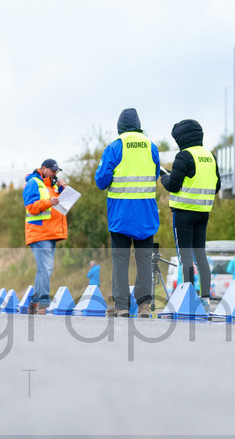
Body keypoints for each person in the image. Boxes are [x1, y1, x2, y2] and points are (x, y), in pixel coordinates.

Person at [95, 108, 161, 318]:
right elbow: (155, 174)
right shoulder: (151, 146)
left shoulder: (115, 147)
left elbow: (101, 180)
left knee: (120, 260)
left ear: (120, 127)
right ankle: (144, 306)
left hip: (121, 214)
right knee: (145, 260)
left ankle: (122, 306)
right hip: (146, 213)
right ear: (138, 125)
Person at [159, 119, 220, 314]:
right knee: (200, 255)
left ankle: (188, 298)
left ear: (181, 138)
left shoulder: (183, 156)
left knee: (185, 257)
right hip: (203, 213)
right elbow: (216, 186)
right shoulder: (210, 156)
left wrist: (163, 176)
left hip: (183, 213)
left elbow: (173, 185)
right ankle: (205, 301)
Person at [23, 159, 68, 314]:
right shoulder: (33, 183)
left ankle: (35, 303)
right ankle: (43, 303)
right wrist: (49, 202)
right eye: (52, 170)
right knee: (45, 268)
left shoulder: (53, 186)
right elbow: (30, 207)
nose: (55, 173)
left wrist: (63, 188)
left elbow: (64, 203)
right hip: (39, 232)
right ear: (43, 168)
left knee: (45, 269)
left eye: (56, 171)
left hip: (51, 233)